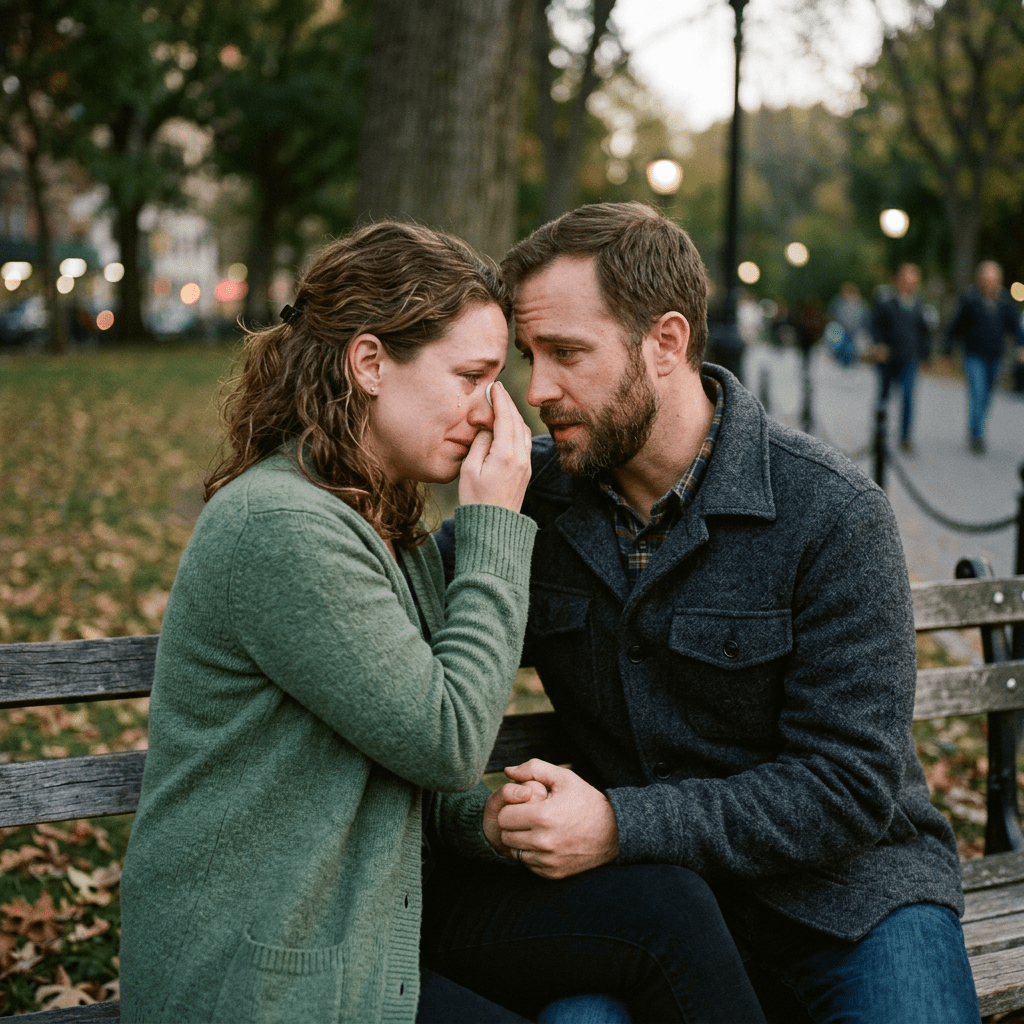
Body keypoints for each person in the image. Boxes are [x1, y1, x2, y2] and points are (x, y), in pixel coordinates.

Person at [426, 203, 979, 1024]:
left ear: (667, 343)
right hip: (639, 910)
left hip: (851, 900)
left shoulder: (830, 513)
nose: (538, 390)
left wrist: (619, 823)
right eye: (531, 356)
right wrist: (479, 528)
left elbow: (848, 787)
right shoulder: (522, 498)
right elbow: (399, 655)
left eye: (568, 354)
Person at [118, 221, 542, 1023]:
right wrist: (492, 524)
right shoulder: (282, 525)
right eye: (472, 376)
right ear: (371, 362)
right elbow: (448, 741)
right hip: (264, 985)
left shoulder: (376, 514)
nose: (494, 412)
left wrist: (488, 820)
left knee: (653, 917)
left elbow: (375, 749)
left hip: (358, 934)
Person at [943, 259, 1024, 453]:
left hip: (994, 356)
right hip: (973, 355)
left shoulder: (1005, 301)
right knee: (978, 392)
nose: (991, 283)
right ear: (980, 280)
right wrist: (947, 352)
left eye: (994, 279)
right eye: (987, 279)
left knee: (987, 396)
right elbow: (955, 326)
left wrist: (1021, 346)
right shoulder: (970, 299)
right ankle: (977, 435)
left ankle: (976, 427)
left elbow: (1015, 328)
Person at [868, 263, 931, 454]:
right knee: (884, 396)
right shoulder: (885, 301)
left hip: (909, 358)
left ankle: (905, 437)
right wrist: (878, 345)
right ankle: (879, 434)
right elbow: (875, 325)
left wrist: (925, 356)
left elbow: (925, 333)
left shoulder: (919, 305)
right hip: (888, 358)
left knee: (908, 397)